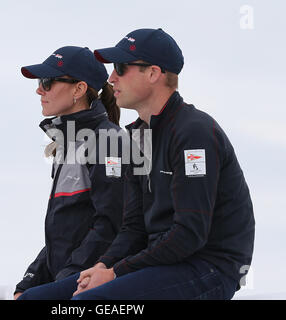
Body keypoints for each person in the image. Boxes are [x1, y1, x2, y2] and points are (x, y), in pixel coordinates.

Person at [17, 28, 255, 301]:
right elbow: (132, 227)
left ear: (153, 73)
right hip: (160, 264)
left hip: (208, 268)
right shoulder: (137, 138)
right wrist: (102, 267)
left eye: (120, 67)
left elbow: (190, 234)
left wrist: (116, 271)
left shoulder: (195, 133)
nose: (111, 77)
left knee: (86, 303)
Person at [14, 46, 127, 299]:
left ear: (79, 89)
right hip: (69, 280)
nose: (39, 90)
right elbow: (62, 235)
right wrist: (29, 281)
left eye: (47, 82)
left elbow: (110, 226)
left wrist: (63, 283)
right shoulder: (68, 147)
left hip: (89, 284)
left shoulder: (108, 141)